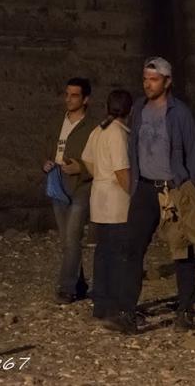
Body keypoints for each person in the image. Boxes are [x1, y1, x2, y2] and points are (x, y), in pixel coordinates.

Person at [105, 57, 195, 334]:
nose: (148, 84)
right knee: (132, 248)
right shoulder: (138, 108)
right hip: (145, 188)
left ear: (167, 82)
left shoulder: (180, 113)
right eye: (145, 79)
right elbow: (133, 148)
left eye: (154, 80)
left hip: (173, 188)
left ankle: (185, 311)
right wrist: (135, 186)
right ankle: (127, 312)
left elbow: (192, 153)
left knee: (182, 251)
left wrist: (189, 192)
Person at [81, 89, 133, 320]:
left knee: (103, 253)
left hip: (99, 199)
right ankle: (114, 304)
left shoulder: (99, 130)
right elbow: (122, 171)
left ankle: (101, 303)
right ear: (130, 110)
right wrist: (133, 195)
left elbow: (86, 158)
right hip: (116, 203)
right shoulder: (118, 133)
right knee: (118, 255)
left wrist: (100, 176)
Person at [42, 77, 95, 305]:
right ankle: (79, 284)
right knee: (66, 239)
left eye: (74, 95)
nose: (69, 99)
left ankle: (66, 288)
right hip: (58, 180)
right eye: (67, 94)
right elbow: (48, 146)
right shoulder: (58, 122)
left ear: (85, 99)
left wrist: (80, 167)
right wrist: (46, 162)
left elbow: (99, 158)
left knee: (73, 237)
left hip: (81, 184)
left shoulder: (93, 127)